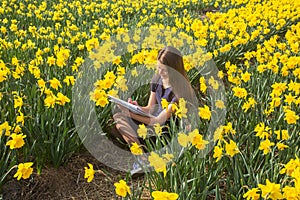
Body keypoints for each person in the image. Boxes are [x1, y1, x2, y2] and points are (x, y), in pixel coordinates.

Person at [109, 46, 195, 175]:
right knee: (117, 118)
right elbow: (149, 109)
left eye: (164, 70)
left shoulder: (179, 92)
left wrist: (130, 114)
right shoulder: (157, 79)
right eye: (158, 67)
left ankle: (142, 159)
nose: (160, 72)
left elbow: (158, 120)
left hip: (165, 132)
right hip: (154, 122)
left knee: (121, 124)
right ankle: (142, 155)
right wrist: (136, 107)